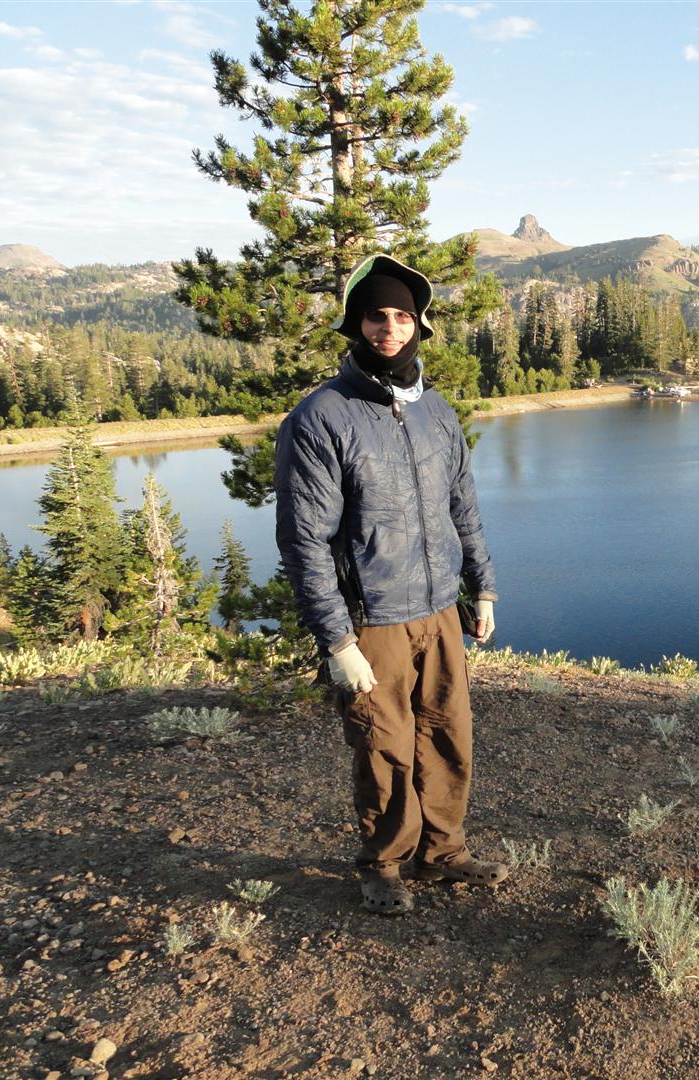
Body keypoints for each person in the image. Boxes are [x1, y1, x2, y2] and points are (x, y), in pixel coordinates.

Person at [274, 252, 508, 915]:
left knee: (448, 735)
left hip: (438, 610)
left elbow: (463, 508)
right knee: (384, 746)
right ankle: (382, 863)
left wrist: (482, 587)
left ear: (419, 325)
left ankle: (443, 853)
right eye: (376, 316)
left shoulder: (436, 412)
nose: (389, 328)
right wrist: (337, 641)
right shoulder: (322, 417)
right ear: (357, 324)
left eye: (402, 316)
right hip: (372, 617)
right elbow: (304, 539)